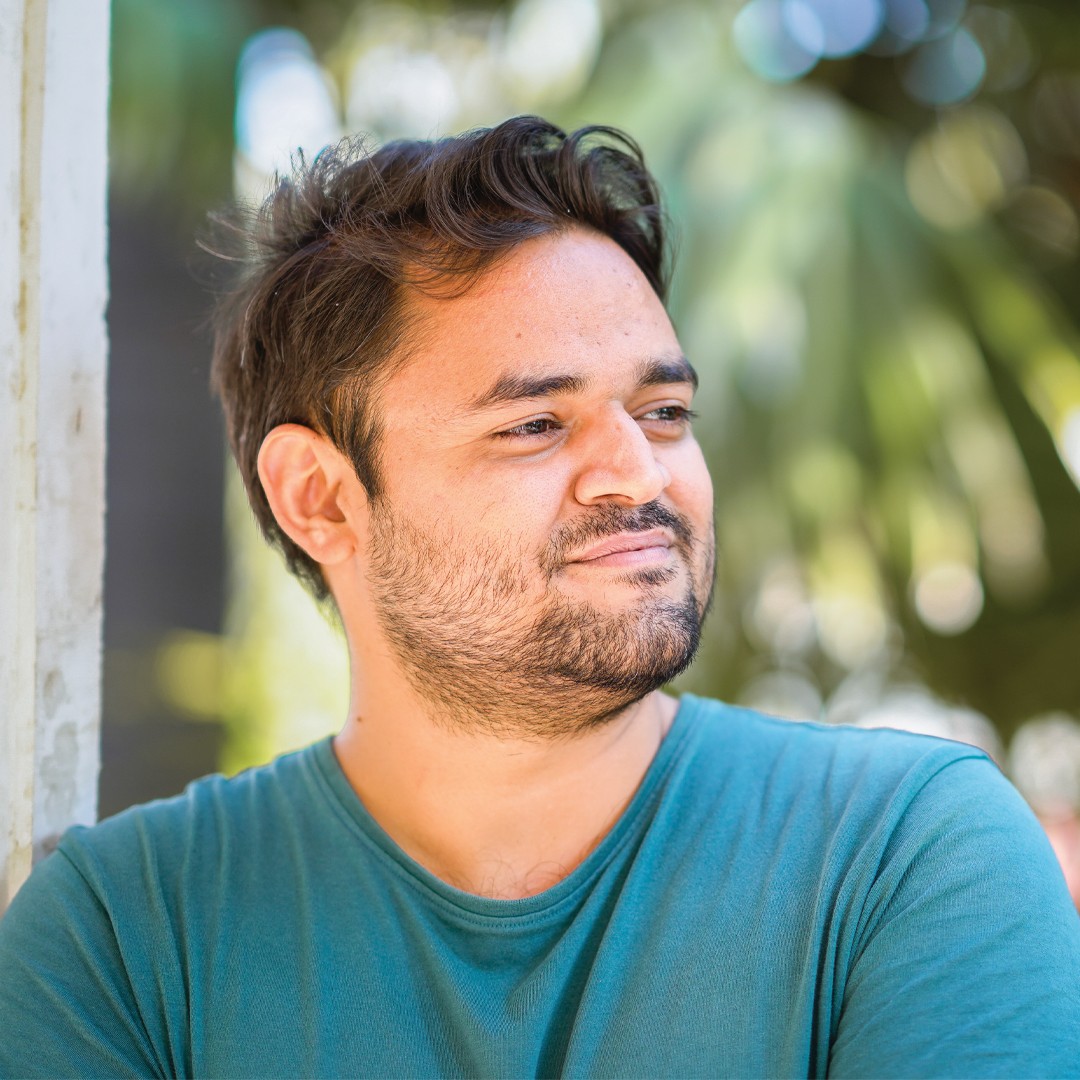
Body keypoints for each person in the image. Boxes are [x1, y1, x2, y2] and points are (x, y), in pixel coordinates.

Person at [1, 116, 1078, 1079]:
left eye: (663, 411)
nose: (638, 473)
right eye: (535, 425)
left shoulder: (905, 858)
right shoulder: (122, 942)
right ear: (321, 497)